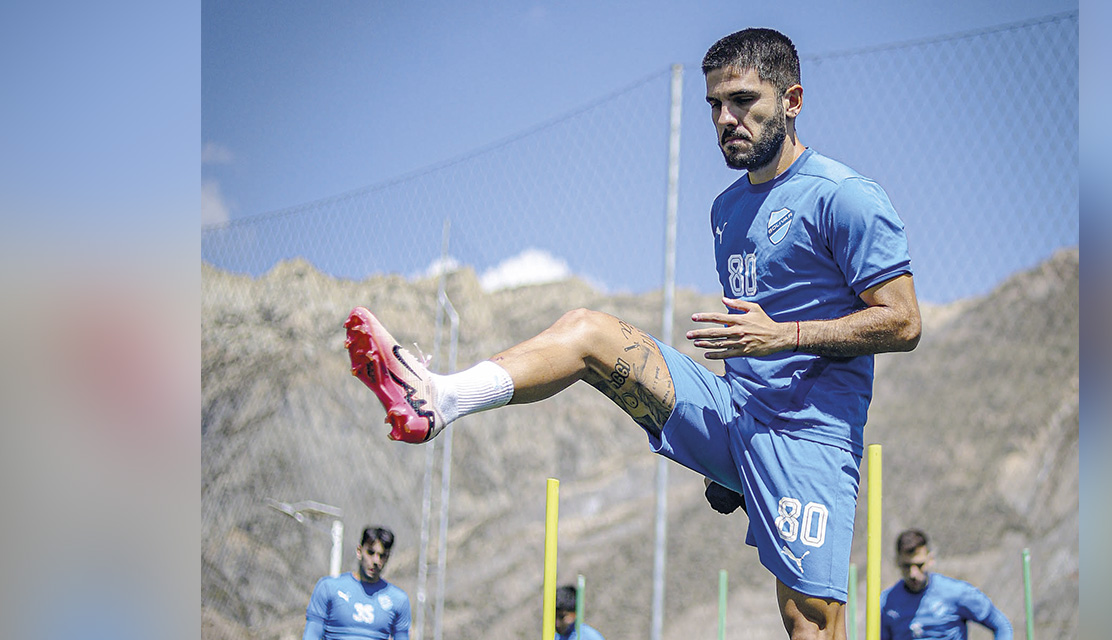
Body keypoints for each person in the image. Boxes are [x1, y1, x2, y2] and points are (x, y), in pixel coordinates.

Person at [344, 27, 920, 640]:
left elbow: (904, 321)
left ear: (792, 100)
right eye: (714, 106)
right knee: (588, 331)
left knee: (810, 624)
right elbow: (749, 349)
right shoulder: (725, 209)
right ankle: (443, 395)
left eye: (744, 101)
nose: (726, 119)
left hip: (809, 440)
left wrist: (787, 336)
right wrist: (728, 461)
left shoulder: (846, 198)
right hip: (733, 412)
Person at [881, 529, 1013, 640]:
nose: (913, 574)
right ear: (897, 562)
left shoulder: (956, 593)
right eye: (907, 566)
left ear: (930, 559)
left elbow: (1001, 625)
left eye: (919, 565)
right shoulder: (887, 602)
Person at [303, 526, 411, 640]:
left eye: (382, 556)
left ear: (387, 558)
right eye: (370, 552)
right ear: (359, 551)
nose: (376, 561)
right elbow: (312, 635)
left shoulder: (398, 599)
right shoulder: (328, 587)